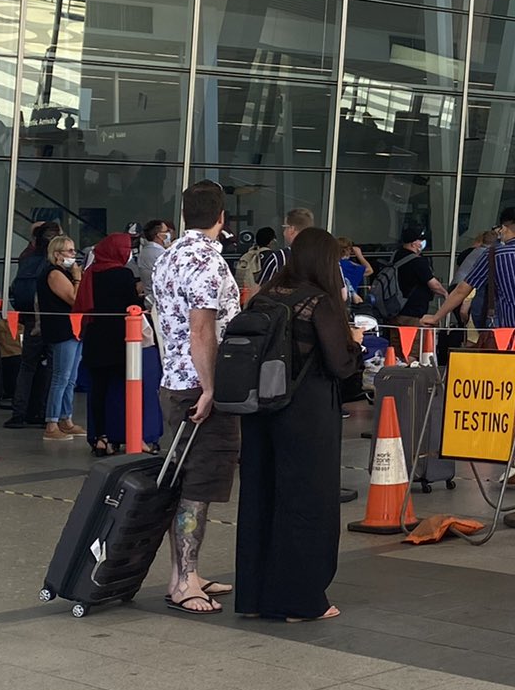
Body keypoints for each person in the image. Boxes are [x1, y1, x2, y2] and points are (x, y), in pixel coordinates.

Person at [234, 226, 364, 622]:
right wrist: (356, 343)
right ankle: (300, 601)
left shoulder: (265, 296)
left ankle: (254, 598)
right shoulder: (319, 302)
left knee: (261, 498)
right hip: (306, 413)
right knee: (306, 501)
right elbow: (340, 364)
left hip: (260, 411)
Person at [150, 180, 243, 617]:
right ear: (221, 216)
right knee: (198, 485)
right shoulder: (208, 262)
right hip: (198, 387)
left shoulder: (166, 257)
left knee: (182, 480)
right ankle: (185, 580)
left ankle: (184, 573)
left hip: (173, 379)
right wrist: (209, 389)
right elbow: (202, 329)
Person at [424, 205, 515, 338]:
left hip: (513, 340)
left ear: (504, 229)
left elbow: (462, 290)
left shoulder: (494, 255)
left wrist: (436, 317)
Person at [76, 233, 140, 456]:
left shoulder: (90, 273)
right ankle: (124, 434)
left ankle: (100, 437)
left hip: (95, 337)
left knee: (98, 389)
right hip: (122, 338)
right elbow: (133, 303)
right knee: (124, 389)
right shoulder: (123, 274)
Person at [4, 220, 60, 430]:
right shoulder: (53, 264)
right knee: (53, 368)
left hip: (29, 319)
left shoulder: (26, 258)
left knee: (27, 367)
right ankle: (46, 412)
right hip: (51, 319)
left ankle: (18, 413)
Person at [38, 233, 85, 442]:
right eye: (70, 251)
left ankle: (66, 418)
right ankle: (52, 422)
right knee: (61, 377)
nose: (73, 255)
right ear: (57, 254)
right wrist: (77, 278)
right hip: (61, 329)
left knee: (71, 378)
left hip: (73, 328)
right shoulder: (54, 274)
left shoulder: (62, 273)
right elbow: (74, 299)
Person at [254, 206, 314, 293]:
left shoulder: (279, 258)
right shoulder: (324, 257)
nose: (283, 232)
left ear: (291, 229)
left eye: (285, 227)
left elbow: (260, 289)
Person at [394, 226, 445, 323]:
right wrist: (445, 294)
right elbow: (434, 285)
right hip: (413, 312)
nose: (423, 243)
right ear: (413, 244)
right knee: (418, 333)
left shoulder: (395, 256)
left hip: (395, 309)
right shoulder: (417, 261)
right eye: (420, 240)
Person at [234, 227, 276, 301]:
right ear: (271, 242)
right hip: (267, 299)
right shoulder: (274, 257)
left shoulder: (247, 256)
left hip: (246, 298)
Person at [131, 219, 173, 293]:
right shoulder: (160, 254)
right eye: (167, 231)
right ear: (159, 235)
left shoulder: (144, 251)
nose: (169, 233)